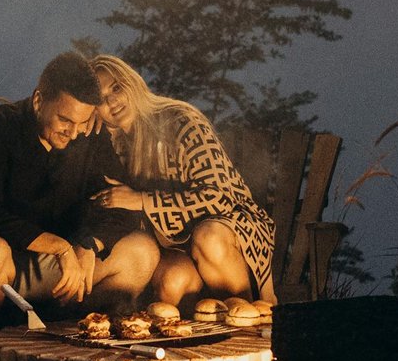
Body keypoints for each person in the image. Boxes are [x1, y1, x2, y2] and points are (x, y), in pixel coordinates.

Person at [0, 52, 158, 361]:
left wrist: (88, 244)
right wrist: (59, 246)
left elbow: (118, 208)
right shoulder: (0, 127)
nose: (72, 132)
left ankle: (67, 351)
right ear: (39, 99)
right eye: (64, 120)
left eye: (82, 122)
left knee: (142, 252)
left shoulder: (87, 136)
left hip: (57, 272)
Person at [87, 55, 276, 309]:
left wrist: (142, 200)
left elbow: (220, 196)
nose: (111, 101)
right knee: (173, 280)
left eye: (116, 87)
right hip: (173, 243)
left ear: (132, 82)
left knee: (208, 238)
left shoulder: (181, 121)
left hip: (230, 230)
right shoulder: (114, 145)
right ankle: (198, 341)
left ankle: (250, 321)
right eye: (99, 99)